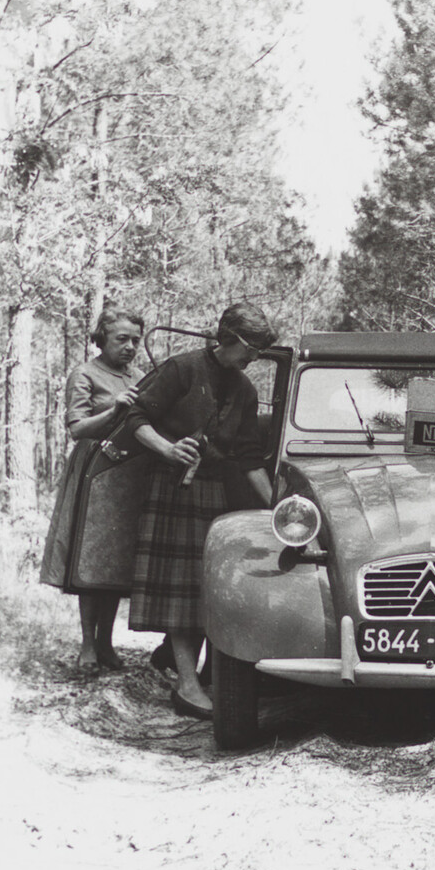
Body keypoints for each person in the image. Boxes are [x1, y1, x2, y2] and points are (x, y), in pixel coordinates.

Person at [123, 301, 276, 718]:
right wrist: (169, 449)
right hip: (171, 487)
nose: (253, 358)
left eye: (260, 352)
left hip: (211, 492)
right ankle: (188, 686)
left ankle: (198, 673)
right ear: (227, 337)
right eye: (251, 348)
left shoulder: (244, 390)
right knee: (181, 589)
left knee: (208, 588)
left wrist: (278, 510)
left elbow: (247, 458)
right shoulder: (182, 369)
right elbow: (136, 418)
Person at [39, 303, 147, 676]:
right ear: (102, 339)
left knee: (116, 560)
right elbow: (77, 428)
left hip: (128, 475)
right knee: (91, 559)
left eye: (135, 339)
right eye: (122, 339)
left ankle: (106, 642)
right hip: (94, 473)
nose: (130, 346)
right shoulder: (84, 373)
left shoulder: (139, 377)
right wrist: (114, 410)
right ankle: (87, 643)